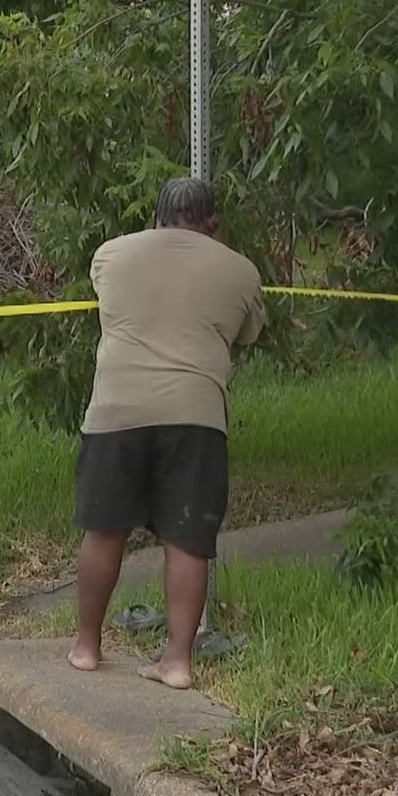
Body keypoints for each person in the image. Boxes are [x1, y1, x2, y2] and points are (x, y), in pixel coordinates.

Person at [67, 176, 265, 689]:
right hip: (196, 416)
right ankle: (177, 662)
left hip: (116, 410)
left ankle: (87, 647)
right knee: (186, 538)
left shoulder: (110, 255)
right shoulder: (240, 270)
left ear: (155, 217)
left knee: (104, 528)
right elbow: (247, 334)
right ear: (213, 224)